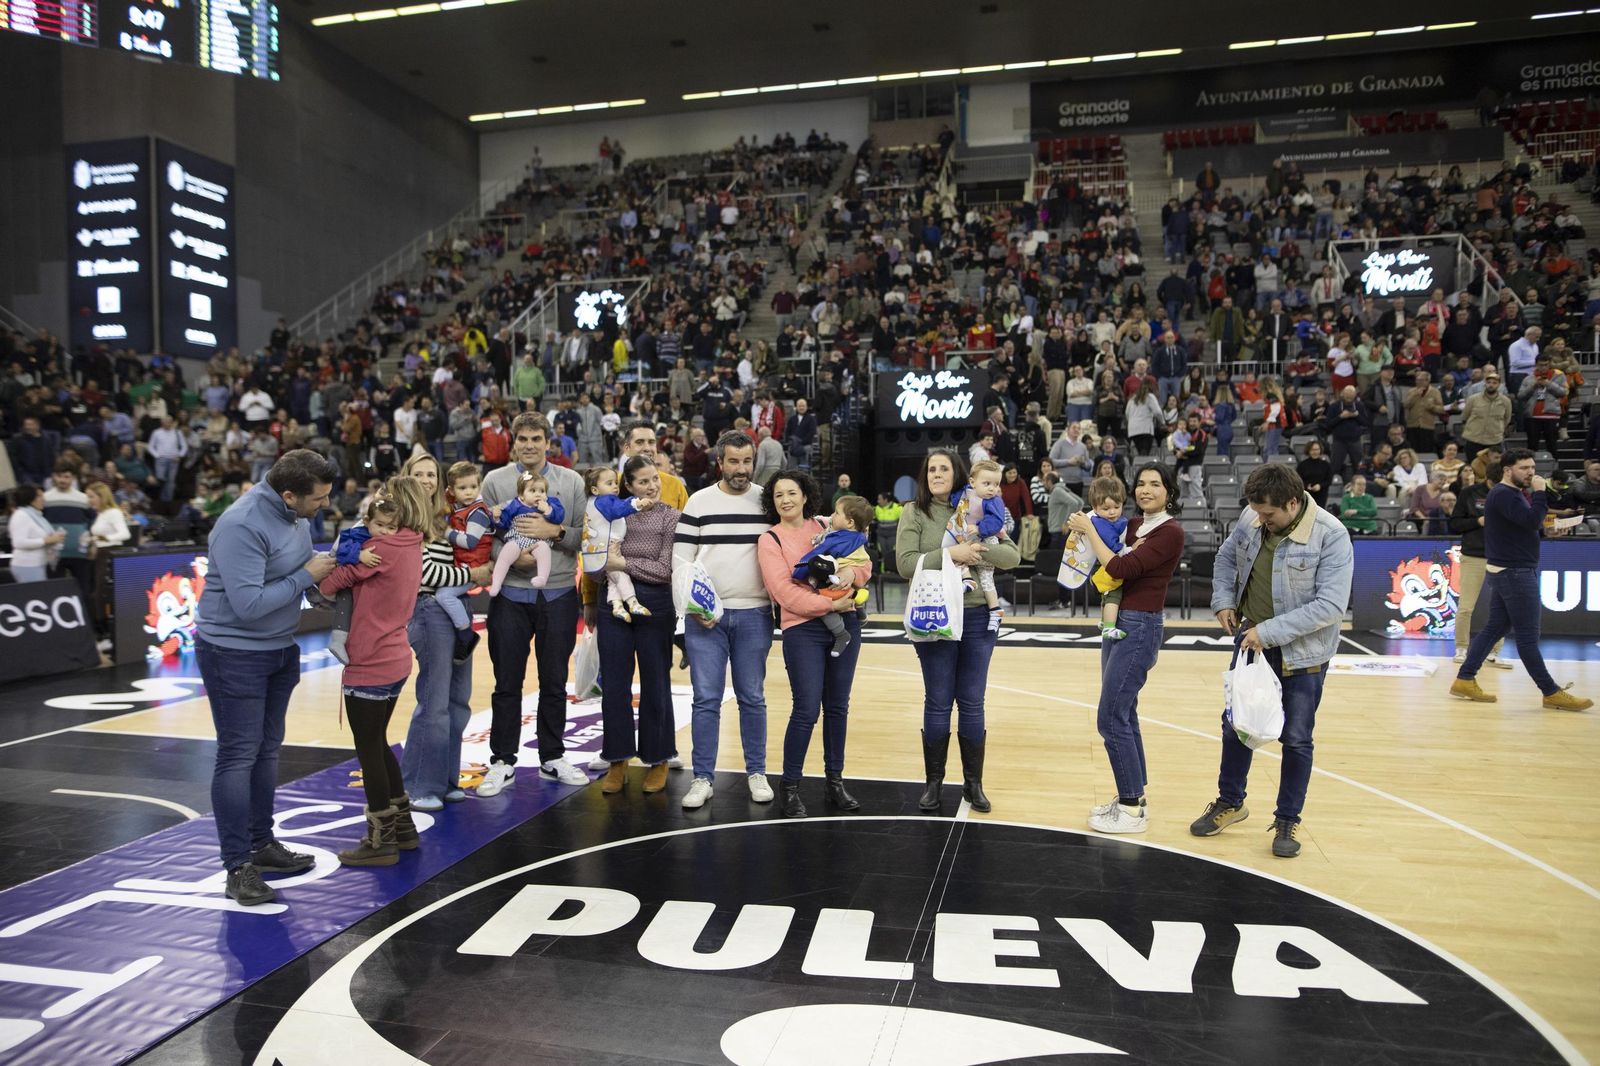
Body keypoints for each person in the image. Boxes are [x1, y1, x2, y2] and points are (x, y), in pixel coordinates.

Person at [194, 450, 338, 906]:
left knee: (267, 750)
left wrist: (315, 586)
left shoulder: (294, 513)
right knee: (238, 754)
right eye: (318, 500)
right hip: (233, 652)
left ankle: (262, 844)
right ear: (289, 494)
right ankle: (238, 867)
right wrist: (305, 577)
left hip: (278, 648)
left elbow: (287, 570)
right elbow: (249, 604)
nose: (323, 507)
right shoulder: (241, 524)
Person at [1193, 463, 1352, 858]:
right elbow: (1226, 559)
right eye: (1257, 512)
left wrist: (1267, 633)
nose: (1260, 520)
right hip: (1251, 640)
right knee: (1237, 726)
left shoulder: (1332, 535)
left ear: (1293, 503)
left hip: (1303, 654)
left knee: (1296, 739)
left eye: (1269, 515)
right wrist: (1223, 601)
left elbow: (1330, 607)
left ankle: (1287, 819)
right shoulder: (1252, 516)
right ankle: (1231, 802)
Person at [896, 449, 1021, 813]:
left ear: (959, 475)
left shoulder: (980, 503)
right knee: (937, 701)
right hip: (935, 615)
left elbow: (1012, 557)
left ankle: (973, 785)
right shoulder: (913, 512)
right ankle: (933, 784)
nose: (936, 474)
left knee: (971, 701)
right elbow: (904, 564)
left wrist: (975, 551)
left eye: (944, 468)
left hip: (978, 617)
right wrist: (951, 554)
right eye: (931, 468)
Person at [1066, 463, 1186, 834]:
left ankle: (1131, 810)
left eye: (1155, 484)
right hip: (1118, 623)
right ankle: (1135, 797)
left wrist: (1088, 529)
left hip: (1140, 625)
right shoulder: (1133, 525)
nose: (1146, 490)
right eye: (1140, 484)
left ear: (1169, 491)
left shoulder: (1171, 533)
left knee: (1110, 716)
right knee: (1125, 714)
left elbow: (1120, 566)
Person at [478, 412, 590, 795]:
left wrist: (553, 531)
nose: (529, 444)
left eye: (536, 438)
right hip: (509, 594)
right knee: (506, 682)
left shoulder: (571, 481)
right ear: (514, 441)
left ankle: (552, 755)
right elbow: (487, 539)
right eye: (523, 438)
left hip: (557, 593)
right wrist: (512, 555)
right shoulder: (494, 481)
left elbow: (581, 537)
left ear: (548, 441)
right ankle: (502, 759)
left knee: (555, 681)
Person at [316, 480, 426, 866]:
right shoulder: (413, 542)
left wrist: (345, 559)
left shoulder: (377, 549)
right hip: (396, 657)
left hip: (371, 662)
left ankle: (381, 841)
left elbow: (328, 585)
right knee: (378, 743)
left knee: (369, 751)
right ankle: (404, 829)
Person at [758, 470, 872, 817]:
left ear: (805, 495)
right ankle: (790, 786)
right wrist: (829, 604)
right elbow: (783, 593)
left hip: (845, 622)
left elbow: (864, 562)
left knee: (838, 707)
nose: (786, 500)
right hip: (802, 629)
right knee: (806, 709)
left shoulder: (827, 525)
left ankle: (834, 781)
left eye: (792, 492)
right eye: (779, 495)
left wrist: (853, 576)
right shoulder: (769, 540)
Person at [673, 430, 775, 809]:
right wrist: (698, 608)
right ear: (720, 462)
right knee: (706, 700)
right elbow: (680, 565)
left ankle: (757, 772)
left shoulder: (767, 501)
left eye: (747, 461)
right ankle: (702, 778)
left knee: (753, 697)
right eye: (733, 461)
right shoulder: (699, 502)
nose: (741, 469)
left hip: (755, 614)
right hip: (706, 620)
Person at [1449, 450, 1593, 711]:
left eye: (1532, 467)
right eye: (1524, 468)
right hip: (1514, 572)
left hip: (1510, 569)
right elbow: (1529, 520)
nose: (1531, 472)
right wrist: (1539, 493)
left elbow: (1523, 527)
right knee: (1527, 637)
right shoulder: (1504, 494)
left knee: (1495, 628)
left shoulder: (1511, 495)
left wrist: (1548, 531)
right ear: (1507, 470)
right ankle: (1550, 691)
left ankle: (1465, 679)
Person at [399, 452, 492, 812]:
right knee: (434, 704)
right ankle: (419, 785)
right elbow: (426, 576)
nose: (426, 479)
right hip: (428, 610)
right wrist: (474, 576)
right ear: (408, 477)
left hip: (456, 608)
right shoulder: (406, 520)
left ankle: (447, 781)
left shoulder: (442, 517)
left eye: (431, 474)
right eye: (418, 473)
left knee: (458, 703)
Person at [595, 456, 681, 796]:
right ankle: (618, 760)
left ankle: (658, 758)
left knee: (656, 681)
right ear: (627, 486)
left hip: (656, 604)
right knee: (614, 684)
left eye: (655, 480)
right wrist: (615, 566)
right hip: (611, 602)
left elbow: (665, 570)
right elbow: (595, 560)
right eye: (644, 482)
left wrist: (622, 563)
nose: (652, 486)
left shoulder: (671, 517)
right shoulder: (611, 515)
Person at [790, 493, 873, 657]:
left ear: (850, 522)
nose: (831, 516)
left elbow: (818, 553)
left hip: (839, 581)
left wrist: (800, 571)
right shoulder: (853, 534)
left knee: (825, 601)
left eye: (836, 513)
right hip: (849, 578)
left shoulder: (840, 538)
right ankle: (860, 606)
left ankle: (841, 633)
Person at [436, 462, 494, 663]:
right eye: (462, 488)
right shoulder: (460, 506)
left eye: (473, 487)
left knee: (444, 595)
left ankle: (465, 634)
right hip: (463, 565)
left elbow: (470, 542)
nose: (469, 492)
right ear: (452, 489)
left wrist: (445, 532)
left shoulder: (477, 512)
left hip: (473, 567)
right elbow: (446, 497)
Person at [944, 458, 1008, 631]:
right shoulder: (965, 492)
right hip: (967, 536)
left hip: (985, 539)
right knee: (952, 554)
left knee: (986, 577)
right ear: (972, 482)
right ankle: (967, 578)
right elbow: (954, 500)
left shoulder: (994, 501)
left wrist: (980, 528)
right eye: (987, 483)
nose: (992, 489)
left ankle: (995, 609)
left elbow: (996, 521)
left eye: (996, 484)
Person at [486, 470, 558, 596]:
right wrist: (497, 518)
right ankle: (496, 583)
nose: (538, 495)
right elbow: (505, 523)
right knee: (506, 553)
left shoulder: (550, 504)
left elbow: (559, 517)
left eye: (542, 491)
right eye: (532, 491)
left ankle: (542, 578)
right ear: (522, 495)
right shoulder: (514, 504)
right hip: (517, 539)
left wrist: (548, 510)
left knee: (544, 550)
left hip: (539, 540)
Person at [1078, 476, 1130, 640]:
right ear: (1095, 507)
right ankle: (1109, 627)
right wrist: (1131, 549)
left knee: (1106, 596)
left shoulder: (1099, 520)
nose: (1113, 511)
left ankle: (1103, 620)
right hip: (1103, 566)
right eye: (1106, 508)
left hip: (1098, 567)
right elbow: (1115, 549)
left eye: (1117, 506)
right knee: (1113, 595)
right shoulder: (1102, 525)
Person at [6, 484, 64, 583]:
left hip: (39, 564)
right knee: (36, 595)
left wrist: (54, 539)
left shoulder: (37, 516)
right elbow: (19, 543)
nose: (43, 499)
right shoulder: (21, 516)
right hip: (27, 565)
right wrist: (46, 540)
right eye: (39, 496)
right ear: (29, 498)